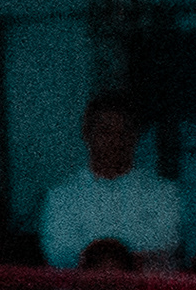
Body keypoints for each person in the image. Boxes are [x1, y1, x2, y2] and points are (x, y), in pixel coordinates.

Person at [37, 93, 183, 265]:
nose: (115, 141)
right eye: (106, 131)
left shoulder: (164, 193)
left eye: (123, 132)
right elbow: (60, 256)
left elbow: (164, 249)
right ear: (87, 134)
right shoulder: (61, 198)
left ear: (136, 136)